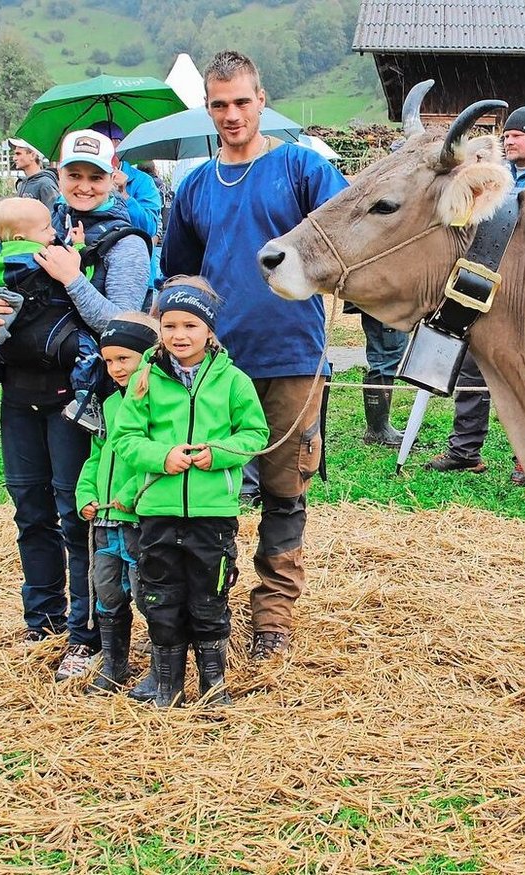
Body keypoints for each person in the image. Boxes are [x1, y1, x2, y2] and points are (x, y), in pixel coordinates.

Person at [162, 51, 348, 660]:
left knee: (284, 490)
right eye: (219, 104)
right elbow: (180, 277)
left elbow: (346, 233)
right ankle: (207, 607)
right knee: (208, 489)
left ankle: (272, 616)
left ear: (261, 100)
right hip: (215, 365)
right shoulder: (195, 186)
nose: (232, 114)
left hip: (292, 355)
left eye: (242, 101)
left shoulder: (301, 168)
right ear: (207, 108)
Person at [0, 130, 151, 679]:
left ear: (114, 177)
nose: (84, 186)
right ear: (60, 174)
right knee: (30, 509)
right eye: (75, 175)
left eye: (95, 176)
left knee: (78, 514)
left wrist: (73, 279)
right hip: (19, 391)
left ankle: (85, 631)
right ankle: (41, 619)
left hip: (79, 397)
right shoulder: (35, 227)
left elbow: (120, 324)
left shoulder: (125, 243)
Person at [112, 279, 269, 706]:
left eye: (190, 325)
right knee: (160, 597)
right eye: (169, 325)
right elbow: (125, 438)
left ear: (209, 329)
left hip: (211, 512)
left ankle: (213, 686)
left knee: (210, 597)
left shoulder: (233, 381)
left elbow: (255, 434)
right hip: (158, 510)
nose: (179, 335)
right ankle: (168, 685)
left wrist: (217, 454)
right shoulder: (145, 379)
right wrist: (161, 456)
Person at [426, 106, 525, 486]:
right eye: (507, 135)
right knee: (472, 370)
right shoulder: (496, 180)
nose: (509, 140)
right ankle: (465, 450)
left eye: (517, 135)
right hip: (486, 289)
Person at [76, 313, 158, 694]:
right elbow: (96, 455)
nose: (116, 368)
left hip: (138, 520)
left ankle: (160, 668)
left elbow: (155, 458)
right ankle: (114, 666)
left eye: (124, 358)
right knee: (107, 591)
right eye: (109, 360)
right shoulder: (107, 404)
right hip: (105, 522)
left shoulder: (156, 403)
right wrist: (85, 493)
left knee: (147, 593)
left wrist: (130, 494)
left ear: (147, 355)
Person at [0, 198, 102, 425]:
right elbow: (81, 274)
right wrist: (79, 249)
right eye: (46, 228)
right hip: (53, 336)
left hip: (9, 331)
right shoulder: (45, 256)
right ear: (21, 238)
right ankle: (83, 400)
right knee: (87, 350)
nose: (53, 232)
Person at [358, 311, 407, 446]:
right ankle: (378, 430)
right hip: (385, 302)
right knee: (387, 353)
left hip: (388, 301)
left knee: (391, 352)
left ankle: (379, 428)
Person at [8, 138, 60, 206]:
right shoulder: (21, 184)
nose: (14, 158)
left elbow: (54, 211)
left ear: (32, 155)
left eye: (18, 154)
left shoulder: (45, 184)